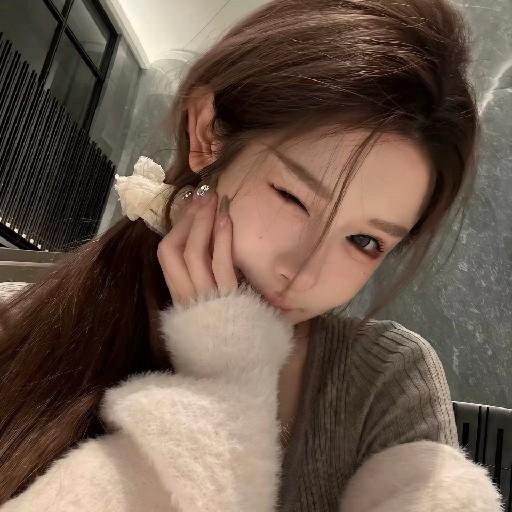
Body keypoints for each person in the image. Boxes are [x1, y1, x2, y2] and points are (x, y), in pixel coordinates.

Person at [0, 0, 503, 510]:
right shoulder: (17, 326)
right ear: (206, 134)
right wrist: (223, 401)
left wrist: (230, 379)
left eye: (364, 241)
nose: (302, 274)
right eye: (293, 198)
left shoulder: (387, 381)